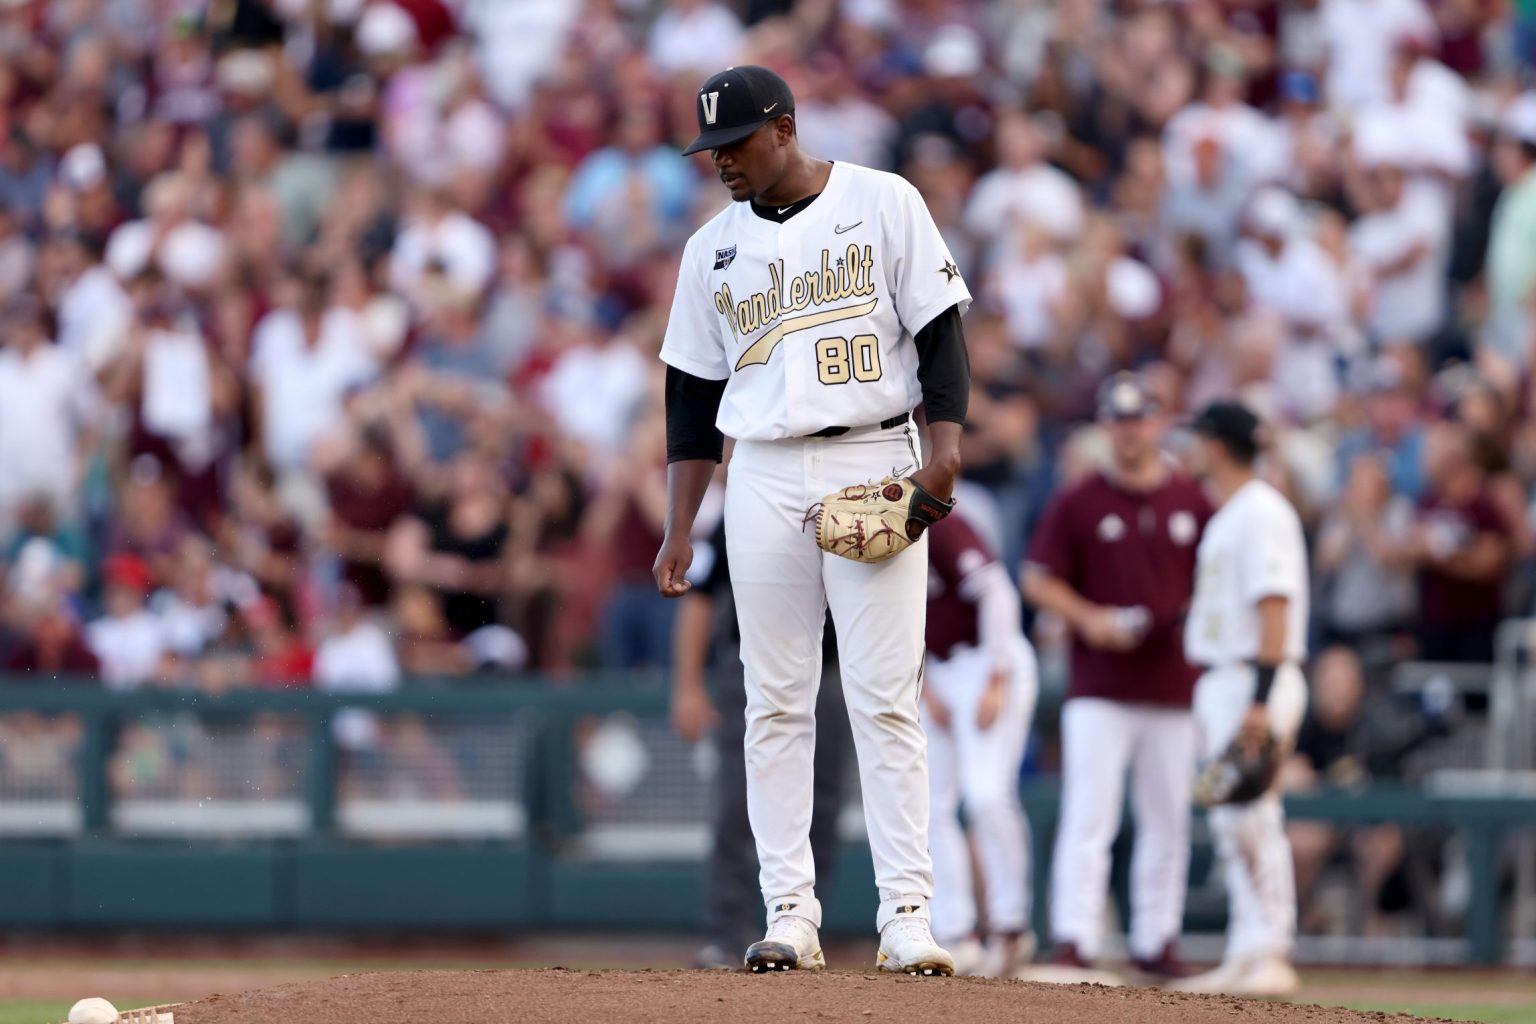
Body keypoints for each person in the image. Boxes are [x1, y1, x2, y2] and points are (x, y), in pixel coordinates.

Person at [653, 65, 972, 975]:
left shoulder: (883, 201)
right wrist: (682, 524)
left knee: (882, 696)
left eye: (736, 144)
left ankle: (907, 911)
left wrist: (940, 454)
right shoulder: (710, 247)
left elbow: (943, 335)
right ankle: (789, 909)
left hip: (875, 452)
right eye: (711, 150)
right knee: (774, 700)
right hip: (758, 468)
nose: (722, 164)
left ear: (784, 128)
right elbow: (690, 397)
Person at [1021, 373, 1212, 981]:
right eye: (1119, 421)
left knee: (1167, 818)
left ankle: (1157, 937)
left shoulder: (1190, 500)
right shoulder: (1080, 500)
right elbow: (1037, 576)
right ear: (1106, 427)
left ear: (1157, 423)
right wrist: (1088, 618)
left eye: (1139, 420)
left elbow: (1216, 576)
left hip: (1172, 681)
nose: (1129, 432)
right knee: (1089, 814)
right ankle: (1075, 935)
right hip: (1100, 681)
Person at [670, 518, 849, 969]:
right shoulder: (741, 509)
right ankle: (725, 934)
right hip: (752, 666)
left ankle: (802, 931)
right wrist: (688, 684)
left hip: (830, 668)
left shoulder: (845, 503)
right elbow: (701, 599)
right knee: (738, 800)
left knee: (821, 805)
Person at [1177, 400, 1309, 997]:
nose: (1194, 448)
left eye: (1201, 438)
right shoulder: (1235, 510)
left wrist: (1259, 699)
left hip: (1252, 677)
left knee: (1255, 814)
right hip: (1228, 677)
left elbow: (1273, 604)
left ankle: (1272, 950)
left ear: (1218, 444)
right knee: (1233, 820)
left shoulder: (1259, 510)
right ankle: (1246, 948)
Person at [922, 509, 1038, 978]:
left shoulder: (936, 519)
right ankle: (955, 932)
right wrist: (927, 687)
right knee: (930, 805)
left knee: (986, 793)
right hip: (933, 670)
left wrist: (995, 676)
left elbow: (997, 593)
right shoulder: (864, 532)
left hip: (986, 659)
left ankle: (1011, 926)